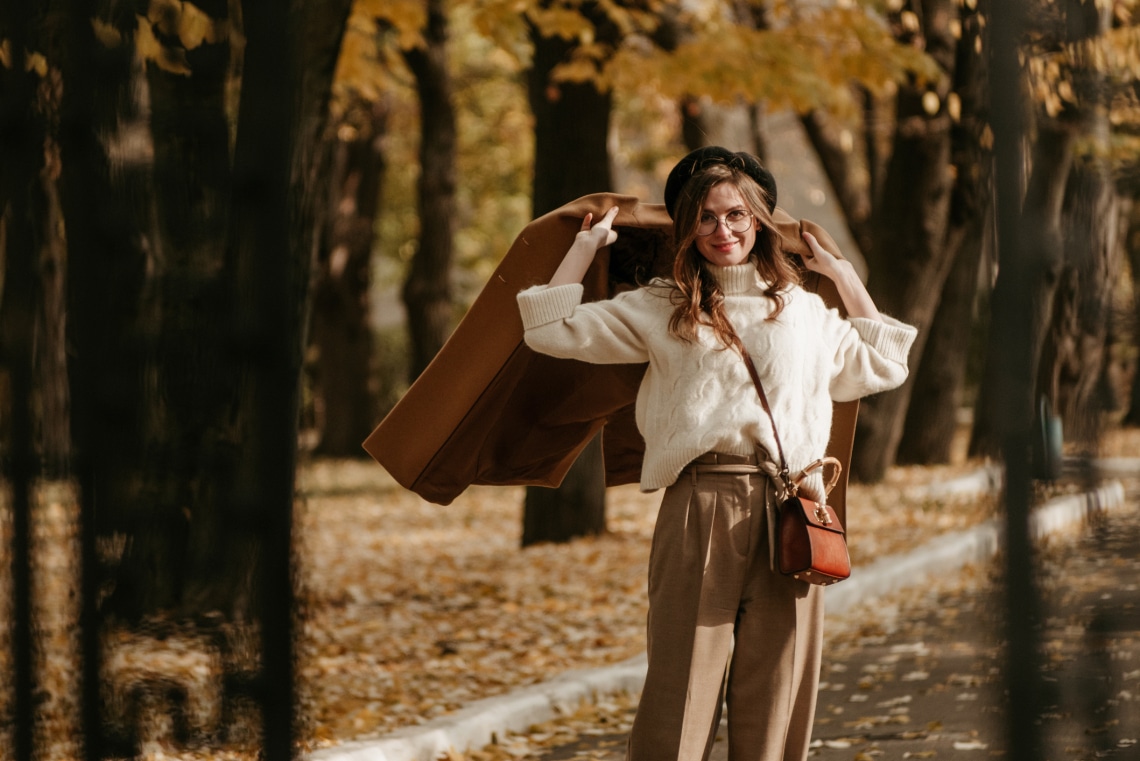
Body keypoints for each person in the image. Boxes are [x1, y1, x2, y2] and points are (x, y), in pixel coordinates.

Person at [515, 146, 917, 761]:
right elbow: (548, 330)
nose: (721, 230)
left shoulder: (805, 313)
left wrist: (841, 277)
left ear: (758, 220)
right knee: (681, 688)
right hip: (700, 502)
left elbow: (885, 361)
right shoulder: (660, 306)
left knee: (776, 693)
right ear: (686, 228)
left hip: (794, 510)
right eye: (704, 218)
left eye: (735, 215)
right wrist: (585, 248)